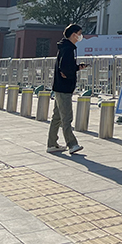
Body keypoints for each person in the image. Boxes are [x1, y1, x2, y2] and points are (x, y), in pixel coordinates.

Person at [47, 24, 85, 155]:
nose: (80, 36)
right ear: (74, 34)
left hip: (59, 86)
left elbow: (67, 66)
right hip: (64, 88)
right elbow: (64, 66)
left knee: (57, 117)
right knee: (66, 117)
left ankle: (52, 144)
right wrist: (68, 73)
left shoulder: (65, 47)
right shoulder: (68, 48)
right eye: (79, 33)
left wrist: (77, 68)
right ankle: (72, 144)